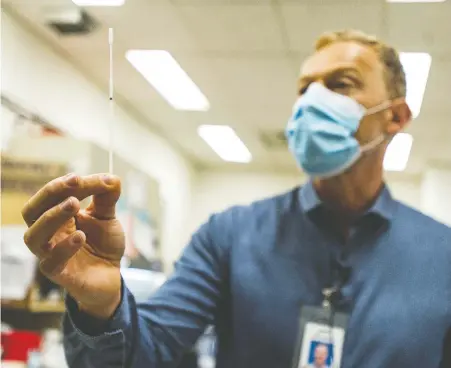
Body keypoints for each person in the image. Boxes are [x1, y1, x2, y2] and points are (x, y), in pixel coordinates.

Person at [21, 30, 451, 368]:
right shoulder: (229, 237)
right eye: (304, 89)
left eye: (340, 84)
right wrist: (101, 305)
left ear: (395, 116)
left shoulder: (442, 256)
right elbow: (144, 353)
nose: (312, 101)